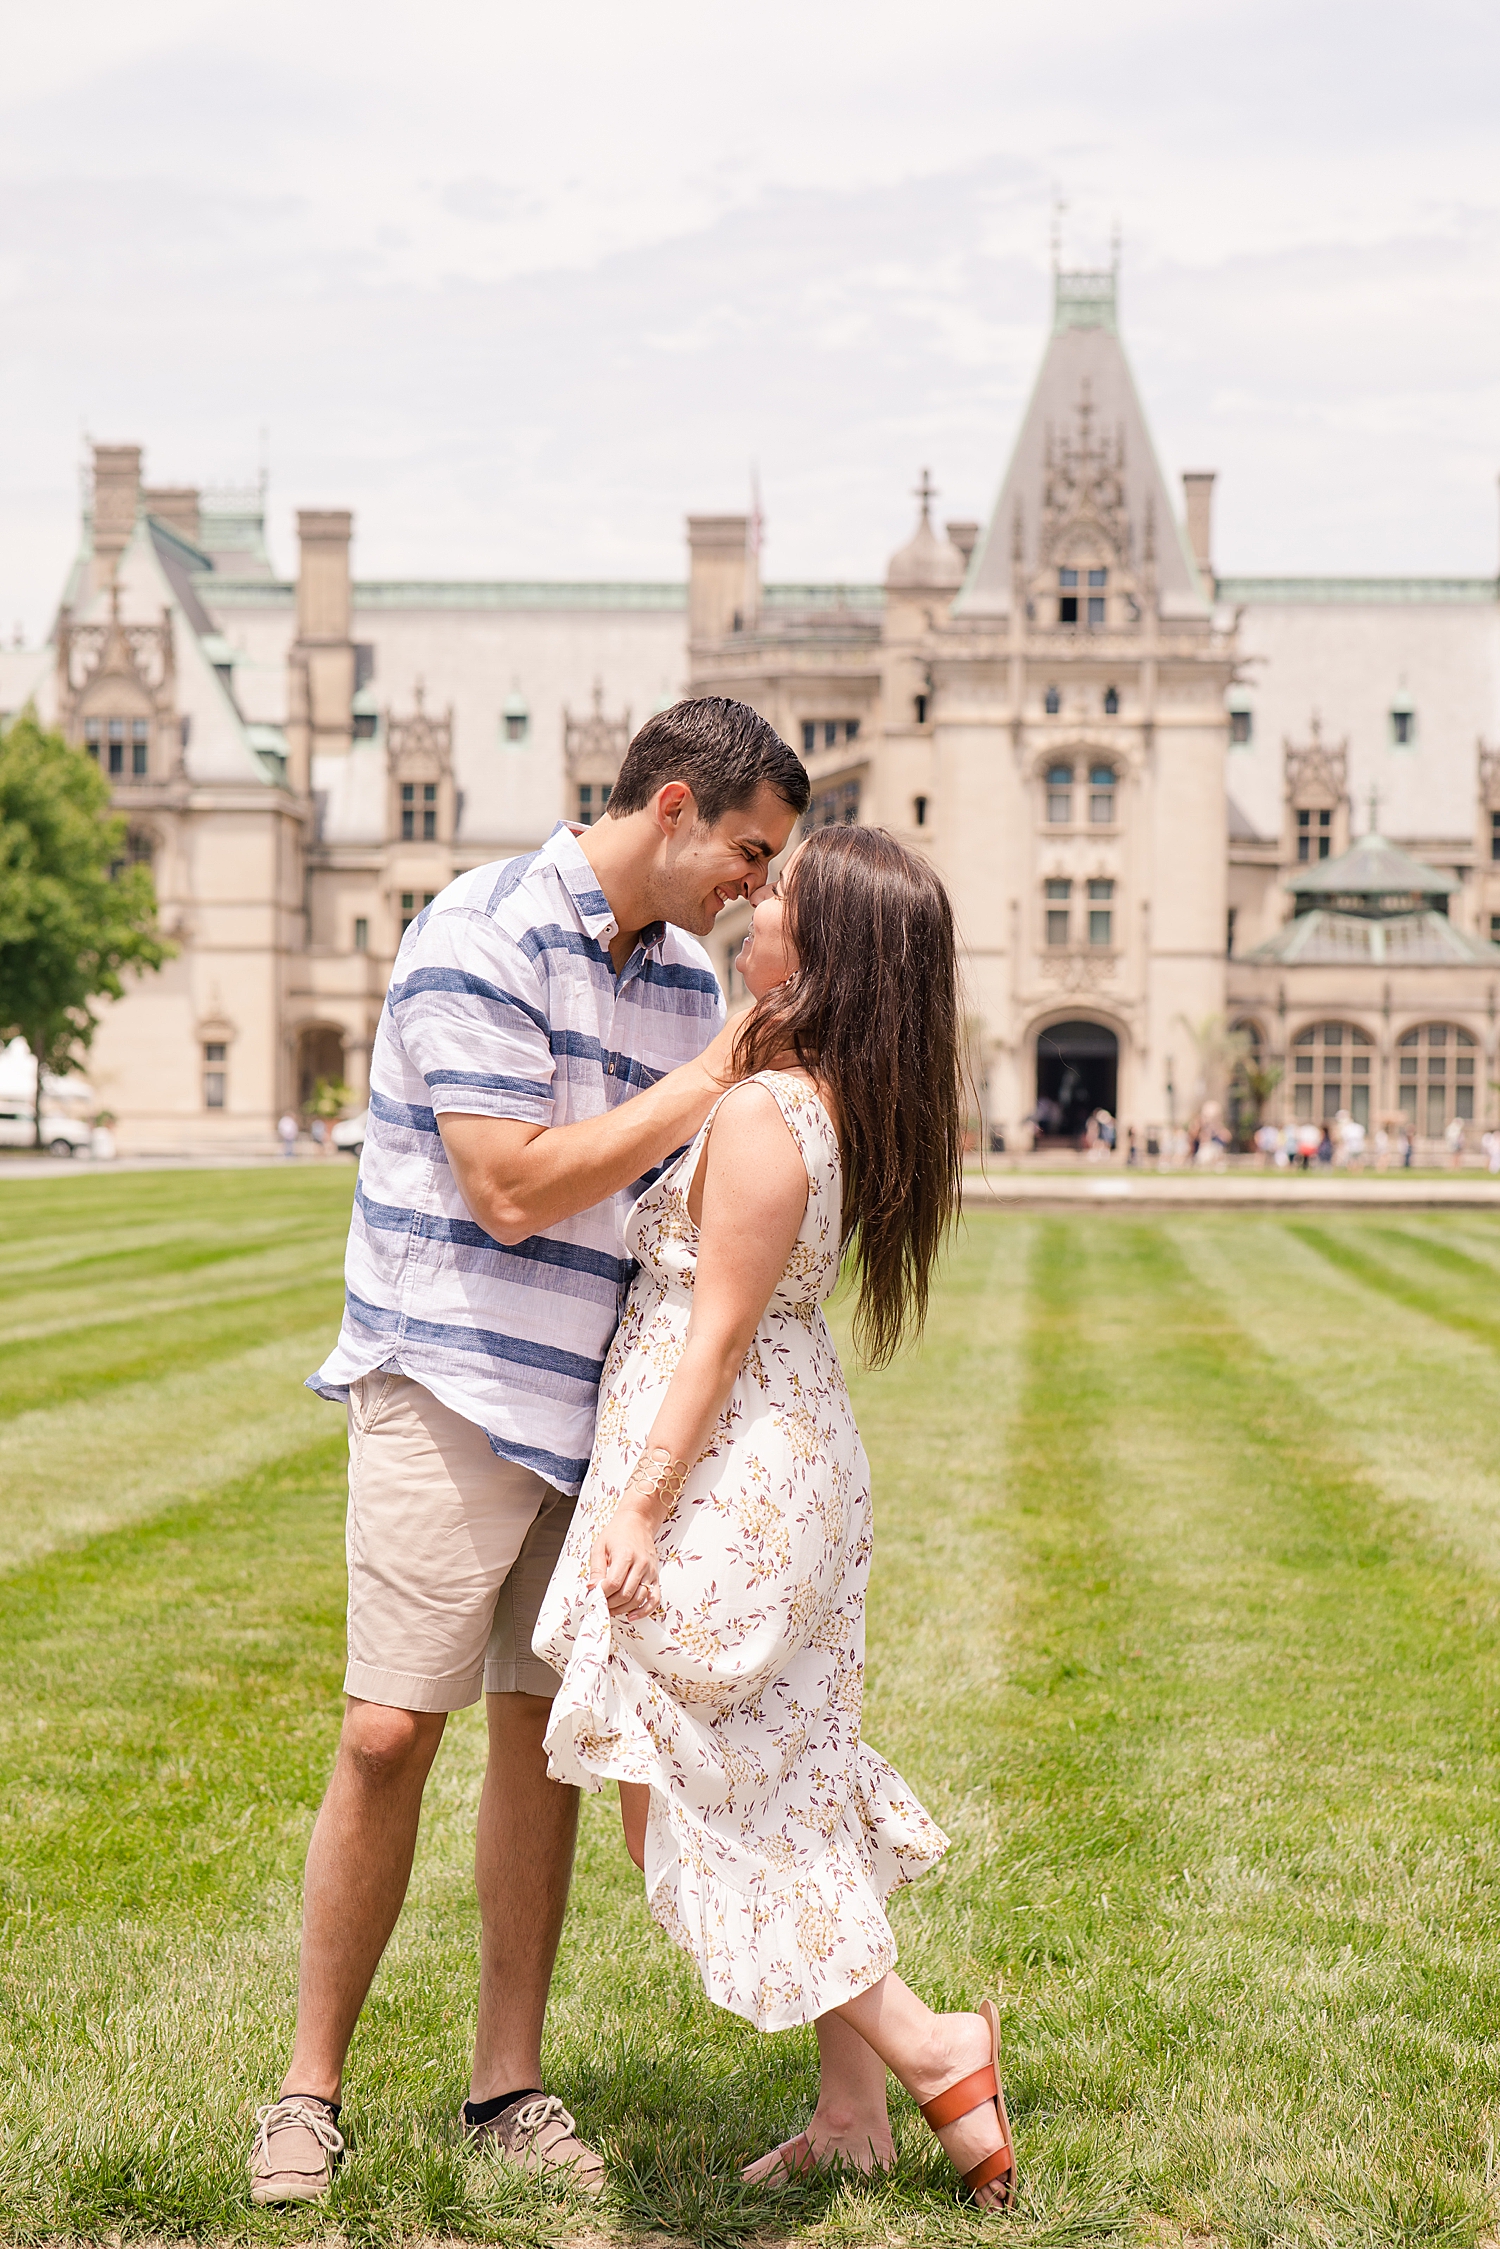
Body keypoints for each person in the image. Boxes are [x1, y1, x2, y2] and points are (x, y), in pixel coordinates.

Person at [248, 699, 808, 2207]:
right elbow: (505, 1187)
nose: (755, 888)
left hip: (593, 1412)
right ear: (676, 807)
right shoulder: (479, 929)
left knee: (540, 1743)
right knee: (385, 1732)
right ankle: (308, 2086)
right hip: (449, 1384)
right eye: (749, 853)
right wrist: (712, 1079)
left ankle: (508, 2078)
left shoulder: (681, 978)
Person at [535, 825, 1017, 2213]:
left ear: (827, 946)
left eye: (785, 897)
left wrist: (635, 1503)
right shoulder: (823, 1089)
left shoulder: (762, 1113)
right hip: (792, 1456)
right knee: (789, 1770)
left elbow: (720, 1333)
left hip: (732, 1467)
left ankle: (934, 2048)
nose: (756, 902)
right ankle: (852, 2111)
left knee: (675, 1788)